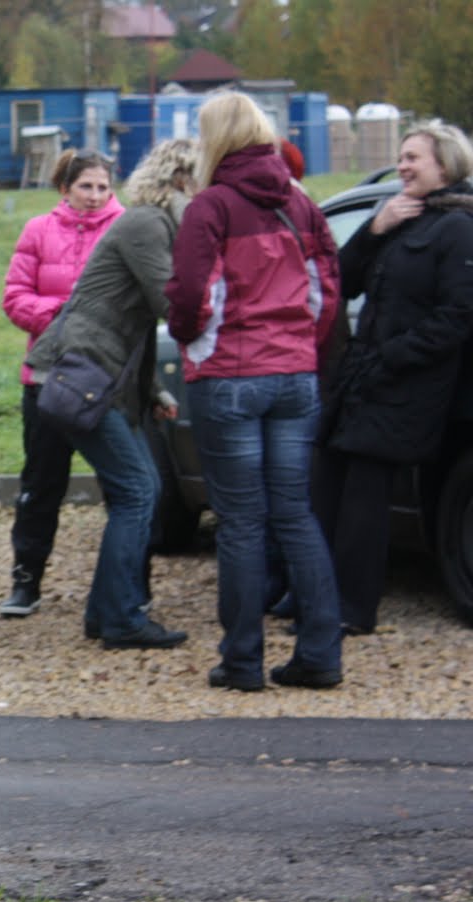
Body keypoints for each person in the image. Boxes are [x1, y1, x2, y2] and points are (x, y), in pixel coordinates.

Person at [166, 91, 343, 691]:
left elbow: (192, 294)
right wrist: (303, 349)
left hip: (230, 377)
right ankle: (320, 655)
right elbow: (326, 290)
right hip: (294, 375)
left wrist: (190, 340)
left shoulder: (210, 206)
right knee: (294, 513)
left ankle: (242, 661)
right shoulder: (302, 203)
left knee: (241, 523)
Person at [25, 138, 198, 650]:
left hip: (94, 377)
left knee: (138, 489)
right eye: (202, 182)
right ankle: (121, 617)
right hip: (82, 377)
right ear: (181, 180)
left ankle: (106, 613)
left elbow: (133, 325)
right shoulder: (148, 224)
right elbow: (170, 306)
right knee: (139, 490)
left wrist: (153, 390)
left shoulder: (156, 224)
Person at [313, 120, 473, 635]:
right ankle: (316, 597)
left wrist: (396, 355)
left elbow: (459, 313)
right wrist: (374, 229)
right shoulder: (400, 217)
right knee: (327, 481)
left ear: (444, 165)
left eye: (412, 158)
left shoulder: (459, 227)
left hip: (408, 381)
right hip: (364, 376)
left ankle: (352, 609)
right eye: (401, 157)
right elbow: (342, 280)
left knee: (365, 493)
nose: (402, 166)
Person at [0, 148, 125, 617]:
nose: (94, 196)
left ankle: (129, 581)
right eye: (85, 186)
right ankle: (26, 579)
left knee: (124, 485)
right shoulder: (38, 230)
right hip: (47, 377)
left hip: (106, 377)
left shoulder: (124, 228)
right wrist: (61, 315)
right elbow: (15, 297)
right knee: (41, 483)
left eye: (102, 187)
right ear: (65, 189)